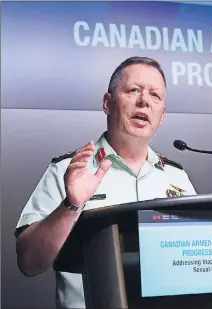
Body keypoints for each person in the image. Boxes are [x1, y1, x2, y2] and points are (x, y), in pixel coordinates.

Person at [14, 56, 197, 308]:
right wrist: (71, 205)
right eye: (133, 90)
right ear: (107, 103)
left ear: (162, 115)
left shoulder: (177, 177)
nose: (144, 101)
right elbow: (29, 262)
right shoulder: (69, 169)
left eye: (155, 96)